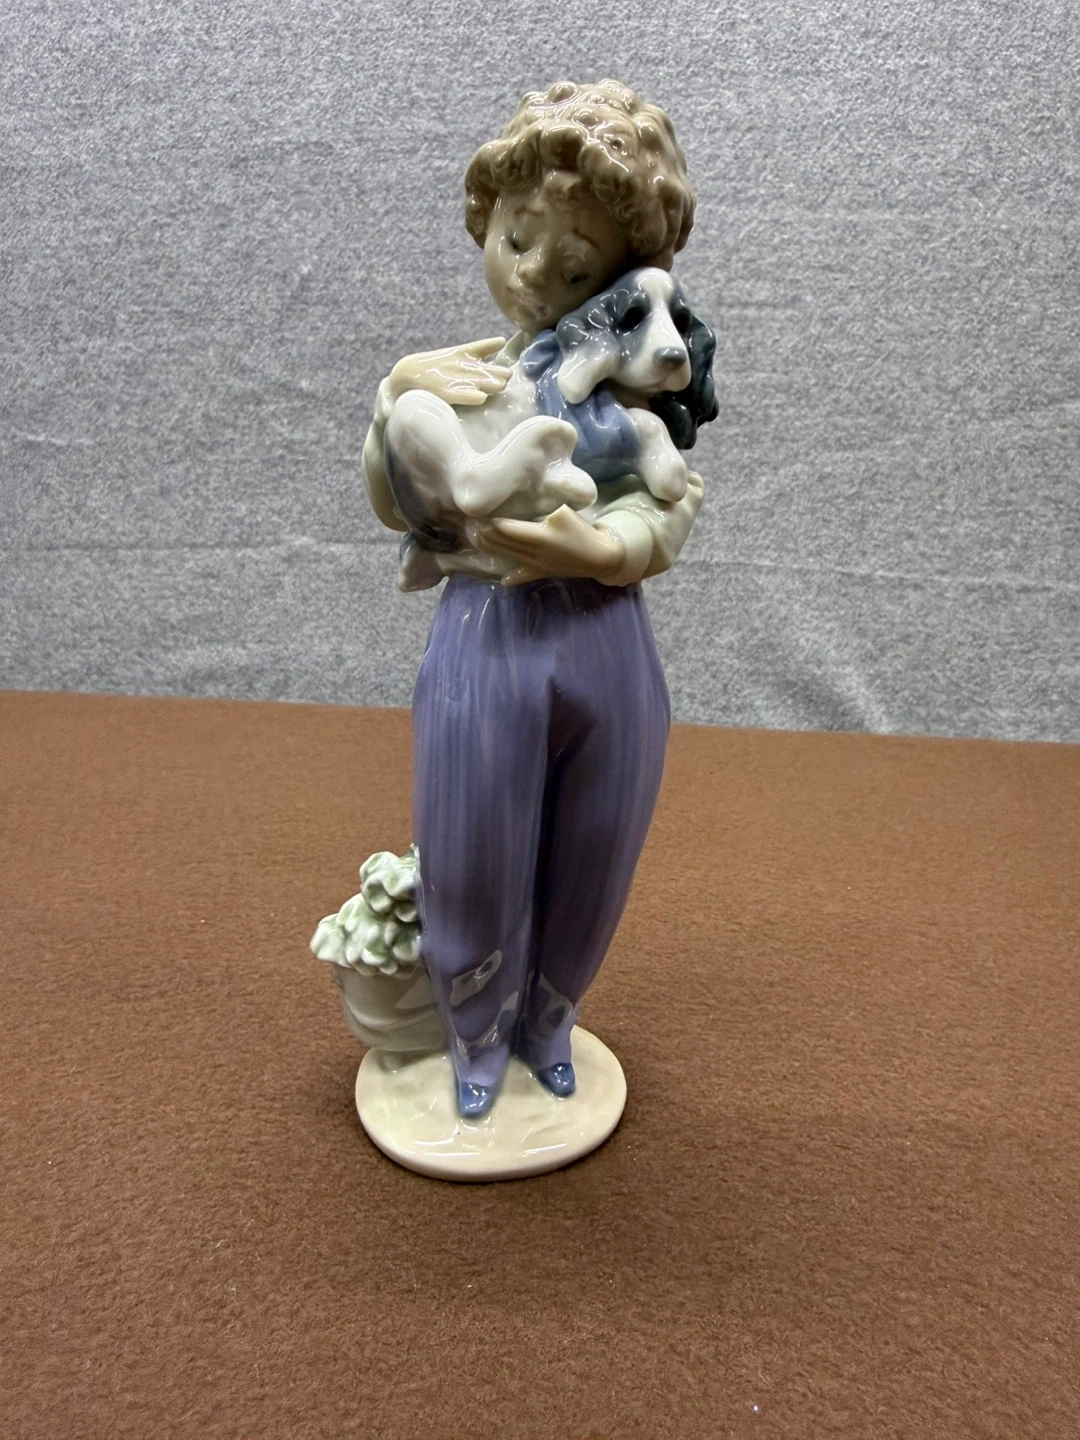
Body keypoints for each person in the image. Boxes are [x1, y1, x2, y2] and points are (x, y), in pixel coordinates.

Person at [362, 80, 709, 1118]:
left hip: (605, 639)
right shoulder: (455, 375)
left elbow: (670, 507)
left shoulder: (634, 386)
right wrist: (392, 401)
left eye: (575, 268)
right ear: (487, 220)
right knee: (471, 846)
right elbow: (394, 496)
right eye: (516, 239)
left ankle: (550, 1018)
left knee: (597, 843)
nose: (532, 277)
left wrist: (603, 549)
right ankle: (475, 1036)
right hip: (488, 633)